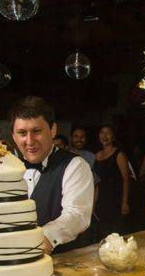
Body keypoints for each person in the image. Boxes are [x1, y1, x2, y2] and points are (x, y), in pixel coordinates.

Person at [9, 96, 94, 254]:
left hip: (64, 266)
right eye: (22, 133)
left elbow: (77, 214)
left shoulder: (74, 165)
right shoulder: (5, 170)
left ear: (53, 130)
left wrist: (45, 237)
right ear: (13, 136)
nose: (30, 141)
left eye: (36, 131)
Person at [93, 125, 131, 238]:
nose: (105, 136)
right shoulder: (96, 156)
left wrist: (124, 202)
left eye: (108, 133)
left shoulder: (119, 154)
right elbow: (96, 182)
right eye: (102, 133)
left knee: (116, 233)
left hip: (116, 198)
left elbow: (126, 179)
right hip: (102, 198)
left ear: (113, 136)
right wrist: (94, 203)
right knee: (103, 232)